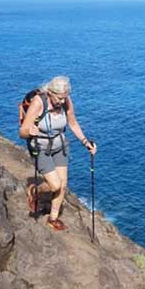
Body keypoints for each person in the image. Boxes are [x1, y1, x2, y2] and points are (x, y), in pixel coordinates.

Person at [19, 76, 97, 231]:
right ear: (50, 93)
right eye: (60, 98)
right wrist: (29, 131)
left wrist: (86, 143)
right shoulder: (38, 103)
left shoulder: (66, 101)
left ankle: (52, 218)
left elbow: (73, 123)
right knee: (55, 185)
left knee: (62, 184)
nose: (62, 102)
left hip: (60, 145)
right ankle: (34, 190)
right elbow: (22, 132)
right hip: (40, 147)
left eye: (65, 98)